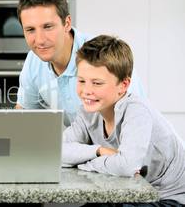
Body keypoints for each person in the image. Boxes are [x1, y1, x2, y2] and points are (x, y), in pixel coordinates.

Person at [62, 35, 185, 206]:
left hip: (168, 197)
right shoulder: (88, 112)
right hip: (131, 192)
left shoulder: (136, 111)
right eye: (81, 81)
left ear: (124, 85)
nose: (86, 91)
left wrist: (83, 163)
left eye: (97, 83)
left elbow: (126, 166)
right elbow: (57, 152)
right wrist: (99, 150)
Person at [15, 0, 145, 126]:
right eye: (30, 30)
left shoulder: (101, 54)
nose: (39, 40)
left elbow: (136, 122)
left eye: (48, 27)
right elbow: (24, 119)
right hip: (82, 146)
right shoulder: (33, 61)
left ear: (67, 23)